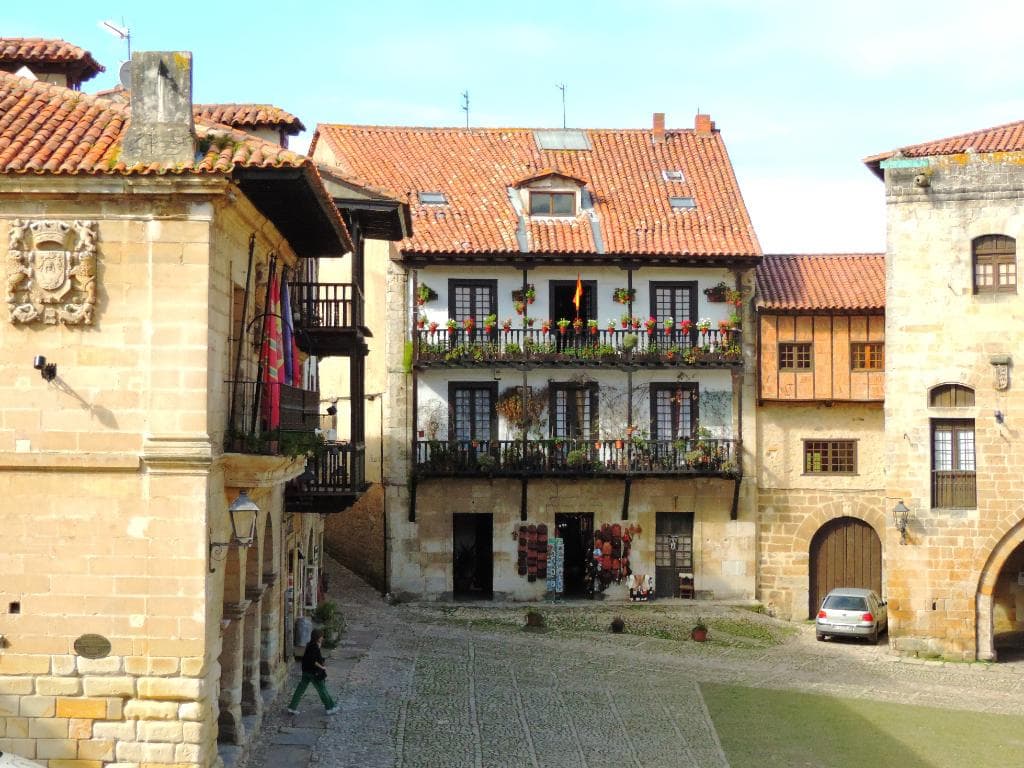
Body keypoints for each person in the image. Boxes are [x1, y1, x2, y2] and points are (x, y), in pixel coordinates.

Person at [286, 628, 338, 715]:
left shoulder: (310, 645)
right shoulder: (314, 647)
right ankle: (330, 708)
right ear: (318, 637)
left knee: (300, 690)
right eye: (321, 637)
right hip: (313, 672)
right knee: (322, 689)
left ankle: (292, 707)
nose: (322, 638)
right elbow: (313, 661)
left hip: (306, 671)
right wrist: (322, 667)